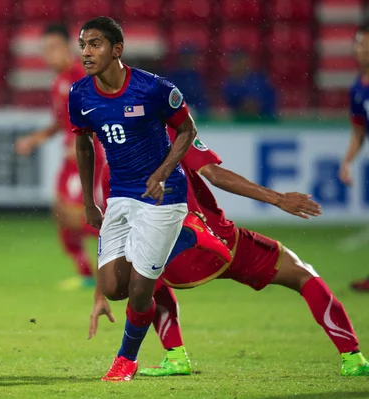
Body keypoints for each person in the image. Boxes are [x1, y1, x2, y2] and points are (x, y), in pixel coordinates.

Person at [90, 133, 369, 378]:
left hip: (174, 263)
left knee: (148, 269)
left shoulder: (112, 169)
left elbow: (114, 233)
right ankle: (352, 357)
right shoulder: (176, 133)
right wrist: (278, 198)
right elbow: (214, 174)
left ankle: (174, 356)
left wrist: (101, 294)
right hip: (224, 244)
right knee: (301, 274)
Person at [69, 16, 201, 381]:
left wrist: (160, 174)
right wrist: (88, 201)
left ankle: (125, 360)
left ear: (117, 49)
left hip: (164, 195)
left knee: (141, 290)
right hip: (120, 198)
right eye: (82, 45)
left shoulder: (153, 88)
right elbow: (83, 142)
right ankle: (160, 264)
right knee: (113, 288)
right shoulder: (79, 94)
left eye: (94, 44)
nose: (86, 52)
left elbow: (187, 130)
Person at [15, 23, 105, 290]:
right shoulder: (58, 83)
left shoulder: (83, 77)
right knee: (61, 213)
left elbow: (101, 115)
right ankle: (86, 274)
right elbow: (60, 122)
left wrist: (85, 140)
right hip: (70, 157)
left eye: (54, 48)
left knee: (78, 215)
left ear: (69, 48)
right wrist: (35, 139)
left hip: (85, 155)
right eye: (45, 49)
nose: (48, 54)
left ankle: (126, 245)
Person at [339, 22, 369, 292]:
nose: (363, 50)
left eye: (366, 44)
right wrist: (348, 161)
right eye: (359, 44)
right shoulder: (358, 88)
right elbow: (359, 131)